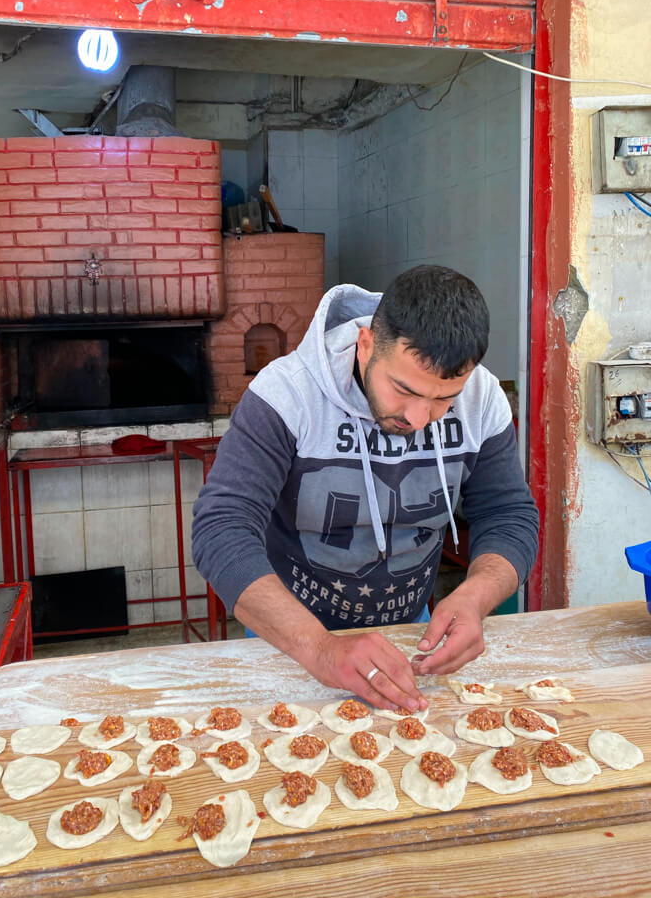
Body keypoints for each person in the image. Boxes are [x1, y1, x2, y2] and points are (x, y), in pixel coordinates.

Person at [192, 265, 539, 713]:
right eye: (403, 389)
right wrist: (319, 648)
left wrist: (476, 597)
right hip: (288, 641)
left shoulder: (483, 399)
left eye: (442, 399)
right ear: (366, 344)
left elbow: (509, 514)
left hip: (412, 637)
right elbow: (221, 529)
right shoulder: (286, 394)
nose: (418, 418)